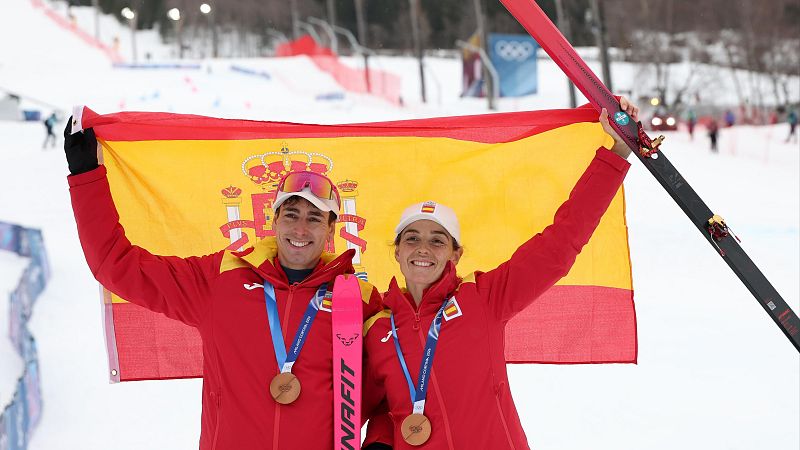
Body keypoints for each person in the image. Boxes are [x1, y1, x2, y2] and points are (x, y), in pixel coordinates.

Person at [63, 121, 389, 450]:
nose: (300, 229)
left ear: (331, 230)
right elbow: (116, 266)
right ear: (273, 220)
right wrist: (86, 176)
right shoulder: (223, 278)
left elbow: (400, 388)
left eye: (315, 218)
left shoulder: (359, 300)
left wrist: (380, 441)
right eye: (291, 214)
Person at [362, 99, 638, 449]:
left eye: (437, 240)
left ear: (455, 254)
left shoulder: (483, 299)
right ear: (397, 251)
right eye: (412, 239)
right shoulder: (378, 328)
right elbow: (380, 408)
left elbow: (559, 245)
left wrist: (616, 154)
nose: (423, 249)